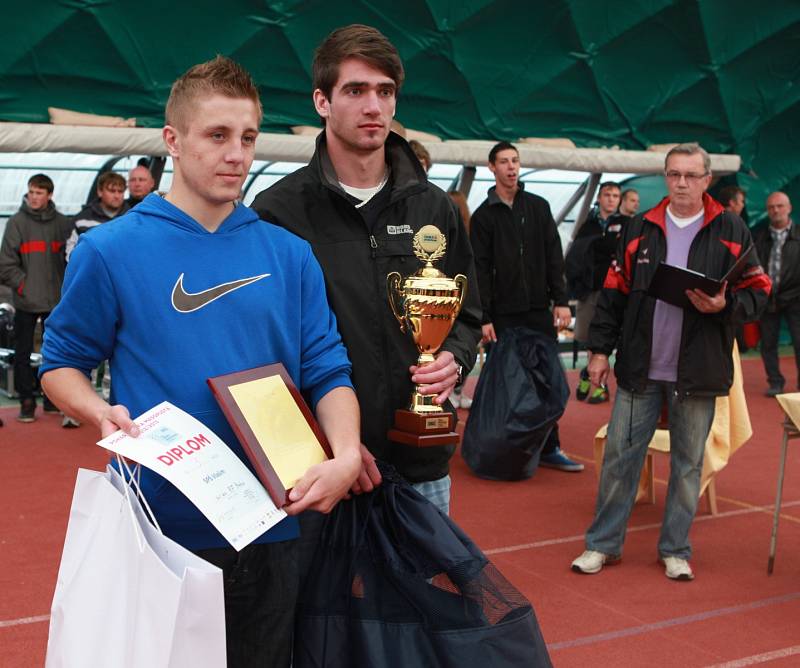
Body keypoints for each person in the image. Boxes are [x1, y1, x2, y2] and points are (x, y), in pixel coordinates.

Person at [40, 56, 361, 668]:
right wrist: (96, 410)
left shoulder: (289, 253)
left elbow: (327, 369)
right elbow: (60, 363)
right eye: (217, 136)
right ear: (174, 140)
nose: (236, 154)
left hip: (276, 521)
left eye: (246, 137)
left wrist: (345, 453)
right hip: (161, 529)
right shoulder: (111, 250)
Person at [252, 24, 482, 515]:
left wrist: (455, 361)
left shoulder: (434, 208)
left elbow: (466, 315)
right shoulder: (278, 212)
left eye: (385, 91)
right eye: (355, 90)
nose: (373, 107)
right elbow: (267, 348)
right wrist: (334, 444)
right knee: (325, 596)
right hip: (326, 471)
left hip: (423, 465)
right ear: (322, 101)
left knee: (424, 593)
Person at [571, 143, 770, 581]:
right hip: (641, 367)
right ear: (666, 177)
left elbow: (759, 289)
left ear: (706, 179)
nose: (681, 183)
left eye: (690, 175)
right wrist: (600, 352)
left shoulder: (731, 228)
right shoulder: (641, 226)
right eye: (673, 174)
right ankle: (602, 544)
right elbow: (613, 291)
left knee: (687, 467)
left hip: (697, 373)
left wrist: (725, 305)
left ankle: (676, 548)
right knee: (620, 459)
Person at [470, 141, 583, 473]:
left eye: (515, 161)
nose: (511, 167)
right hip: (503, 315)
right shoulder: (483, 217)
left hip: (537, 311)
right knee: (509, 382)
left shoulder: (538, 207)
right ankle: (509, 448)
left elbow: (553, 256)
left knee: (547, 379)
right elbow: (479, 269)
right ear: (492, 168)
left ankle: (550, 447)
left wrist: (561, 301)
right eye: (504, 161)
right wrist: (484, 317)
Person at [0, 174, 72, 422]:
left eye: (39, 192)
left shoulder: (63, 223)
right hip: (26, 301)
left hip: (56, 301)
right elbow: (6, 264)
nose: (33, 197)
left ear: (50, 195)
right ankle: (27, 401)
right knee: (22, 352)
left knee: (57, 352)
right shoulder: (16, 223)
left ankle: (53, 400)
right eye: (31, 192)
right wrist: (24, 287)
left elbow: (73, 260)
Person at [567, 181, 628, 405]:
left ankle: (600, 387)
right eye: (607, 195)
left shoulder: (627, 224)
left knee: (608, 341)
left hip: (616, 293)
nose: (612, 199)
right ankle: (588, 376)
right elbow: (576, 256)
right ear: (599, 198)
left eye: (615, 195)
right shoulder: (588, 225)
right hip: (590, 291)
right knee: (588, 339)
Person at [754, 192, 800, 396]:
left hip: (795, 297)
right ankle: (775, 382)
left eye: (780, 206)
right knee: (768, 343)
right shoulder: (759, 236)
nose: (776, 210)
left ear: (789, 208)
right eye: (771, 207)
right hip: (768, 297)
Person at [65, 171, 128, 259]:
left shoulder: (131, 218)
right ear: (100, 192)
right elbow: (70, 254)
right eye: (112, 191)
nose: (117, 196)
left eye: (120, 191)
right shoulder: (81, 221)